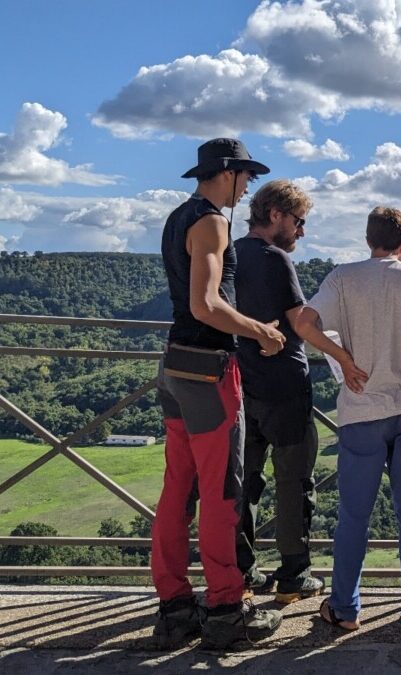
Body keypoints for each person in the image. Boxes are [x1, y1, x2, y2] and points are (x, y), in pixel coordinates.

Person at [152, 138, 285, 649]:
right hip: (210, 370)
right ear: (226, 173)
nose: (248, 184)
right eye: (245, 174)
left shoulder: (176, 217)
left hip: (176, 366)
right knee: (221, 493)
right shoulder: (212, 221)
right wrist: (260, 332)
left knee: (177, 488)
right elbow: (206, 304)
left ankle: (175, 607)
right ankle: (228, 608)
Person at [293, 206, 401, 632]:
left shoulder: (343, 277)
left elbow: (304, 323)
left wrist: (342, 356)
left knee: (353, 516)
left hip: (360, 412)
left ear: (367, 239)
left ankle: (345, 609)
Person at [233, 179, 366, 604]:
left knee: (243, 480)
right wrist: (343, 355)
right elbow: (300, 324)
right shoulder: (275, 259)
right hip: (284, 385)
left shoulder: (231, 253)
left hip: (241, 382)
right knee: (293, 482)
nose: (301, 232)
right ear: (275, 215)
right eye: (299, 221)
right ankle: (294, 571)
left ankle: (242, 570)